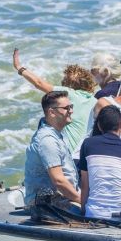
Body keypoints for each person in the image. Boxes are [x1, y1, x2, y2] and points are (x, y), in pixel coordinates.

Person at [13, 49, 97, 157]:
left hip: (72, 157)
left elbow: (39, 83)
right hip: (88, 155)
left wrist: (19, 67)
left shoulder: (70, 94)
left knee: (45, 120)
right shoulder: (96, 100)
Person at [23, 90, 82, 223]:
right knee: (97, 214)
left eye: (71, 107)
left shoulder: (56, 134)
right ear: (52, 112)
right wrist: (81, 201)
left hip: (60, 198)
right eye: (66, 108)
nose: (71, 111)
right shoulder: (47, 140)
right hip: (46, 204)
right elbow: (58, 180)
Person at [79, 105, 121, 221]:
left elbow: (85, 184)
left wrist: (83, 212)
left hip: (95, 214)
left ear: (99, 125)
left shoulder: (88, 144)